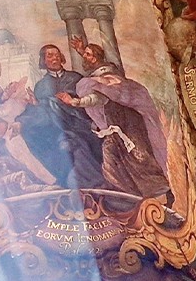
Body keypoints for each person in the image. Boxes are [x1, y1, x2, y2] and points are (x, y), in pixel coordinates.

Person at [59, 44, 172, 201]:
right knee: (113, 162)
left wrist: (74, 102)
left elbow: (98, 98)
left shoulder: (101, 81)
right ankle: (131, 198)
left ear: (97, 58)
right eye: (84, 54)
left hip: (128, 126)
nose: (85, 57)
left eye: (88, 55)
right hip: (117, 127)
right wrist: (82, 51)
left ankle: (162, 191)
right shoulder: (105, 77)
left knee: (140, 158)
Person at [14, 43, 104, 189]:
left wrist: (52, 102)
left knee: (77, 143)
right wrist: (33, 107)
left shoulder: (75, 78)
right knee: (60, 143)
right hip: (54, 126)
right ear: (44, 60)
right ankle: (67, 181)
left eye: (57, 54)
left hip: (79, 122)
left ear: (61, 58)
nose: (54, 58)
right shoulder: (41, 85)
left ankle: (94, 183)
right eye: (49, 55)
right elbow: (40, 112)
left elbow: (85, 99)